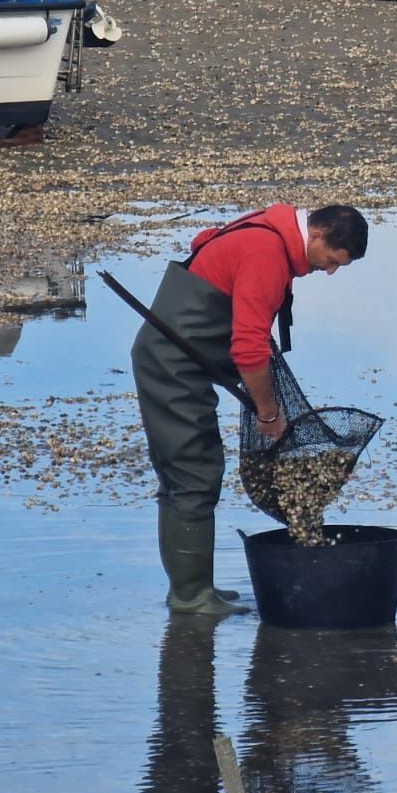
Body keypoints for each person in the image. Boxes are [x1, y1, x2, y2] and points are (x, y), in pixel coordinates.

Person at [131, 204, 369, 615]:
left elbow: (203, 243)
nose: (330, 272)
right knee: (193, 474)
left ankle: (196, 588)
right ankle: (191, 597)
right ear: (317, 235)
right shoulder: (267, 256)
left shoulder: (267, 231)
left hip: (183, 358)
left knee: (189, 474)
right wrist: (269, 412)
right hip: (172, 364)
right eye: (332, 261)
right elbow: (247, 346)